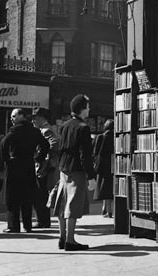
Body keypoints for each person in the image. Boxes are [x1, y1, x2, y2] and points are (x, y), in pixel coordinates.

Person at [53, 94, 97, 251]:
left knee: (62, 203)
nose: (89, 109)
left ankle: (62, 237)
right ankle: (70, 240)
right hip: (77, 170)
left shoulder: (64, 126)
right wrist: (91, 176)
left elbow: (61, 148)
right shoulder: (83, 128)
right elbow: (85, 155)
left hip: (63, 168)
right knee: (73, 205)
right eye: (87, 106)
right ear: (82, 109)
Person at [1, 108, 49, 233]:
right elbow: (45, 144)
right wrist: (39, 157)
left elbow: (3, 143)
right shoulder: (34, 131)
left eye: (14, 116)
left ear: (22, 116)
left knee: (13, 197)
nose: (11, 118)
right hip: (28, 165)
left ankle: (13, 225)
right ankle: (27, 225)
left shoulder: (14, 130)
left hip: (14, 166)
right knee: (27, 196)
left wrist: (6, 159)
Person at [31, 107, 60, 228]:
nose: (33, 121)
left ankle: (41, 220)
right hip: (45, 167)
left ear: (41, 118)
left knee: (40, 194)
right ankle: (43, 220)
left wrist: (43, 156)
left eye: (35, 118)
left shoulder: (45, 130)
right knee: (42, 194)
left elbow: (55, 144)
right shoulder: (46, 129)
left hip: (44, 168)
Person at [92, 119, 114, 218]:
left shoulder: (99, 137)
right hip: (112, 164)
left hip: (101, 165)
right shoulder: (114, 137)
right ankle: (109, 210)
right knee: (110, 187)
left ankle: (105, 208)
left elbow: (94, 152)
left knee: (103, 187)